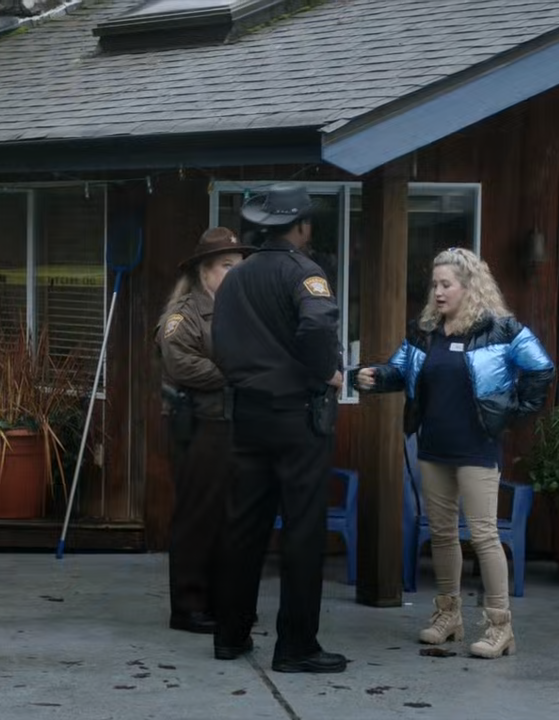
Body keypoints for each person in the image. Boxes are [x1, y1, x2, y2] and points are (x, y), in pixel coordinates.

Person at [354, 247, 554, 659]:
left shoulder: (501, 330)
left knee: (483, 535)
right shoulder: (424, 331)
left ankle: (500, 627)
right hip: (433, 446)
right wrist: (375, 377)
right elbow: (400, 370)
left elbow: (541, 368)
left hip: (477, 447)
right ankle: (448, 617)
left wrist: (512, 412)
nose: (438, 292)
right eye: (434, 285)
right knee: (443, 534)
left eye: (446, 285)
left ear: (469, 286)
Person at [210, 183, 348, 673]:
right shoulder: (304, 272)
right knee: (302, 530)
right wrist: (326, 371)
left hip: (247, 414)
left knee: (244, 525)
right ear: (302, 227)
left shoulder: (235, 279)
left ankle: (230, 634)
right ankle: (296, 646)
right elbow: (317, 327)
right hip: (297, 415)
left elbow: (219, 342)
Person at [157, 227, 254, 635]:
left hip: (233, 424)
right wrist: (234, 373)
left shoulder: (241, 310)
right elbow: (179, 361)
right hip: (198, 425)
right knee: (198, 515)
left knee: (228, 517)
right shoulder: (185, 313)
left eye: (239, 266)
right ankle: (188, 605)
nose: (235, 273)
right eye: (226, 266)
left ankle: (219, 601)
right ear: (204, 272)